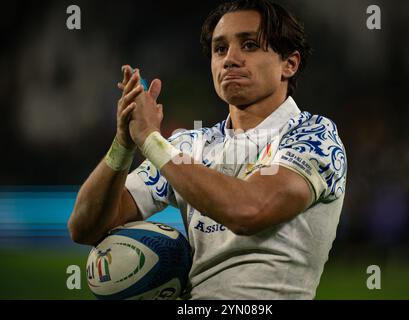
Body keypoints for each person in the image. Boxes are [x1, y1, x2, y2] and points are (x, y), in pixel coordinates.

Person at [68, 0, 347, 299]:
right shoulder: (190, 145)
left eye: (250, 45)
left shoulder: (313, 134)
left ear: (289, 64)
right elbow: (84, 227)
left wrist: (150, 138)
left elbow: (249, 211)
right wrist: (124, 142)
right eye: (220, 49)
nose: (230, 59)